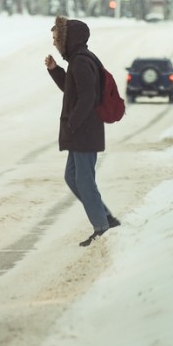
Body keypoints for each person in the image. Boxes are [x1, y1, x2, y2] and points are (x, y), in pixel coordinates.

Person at [45, 16, 120, 247]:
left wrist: (73, 122)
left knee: (85, 180)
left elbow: (87, 97)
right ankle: (105, 217)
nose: (55, 43)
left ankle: (102, 226)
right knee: (72, 176)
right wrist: (55, 70)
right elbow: (72, 89)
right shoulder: (78, 61)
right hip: (81, 132)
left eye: (57, 38)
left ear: (68, 39)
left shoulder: (81, 61)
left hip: (84, 132)